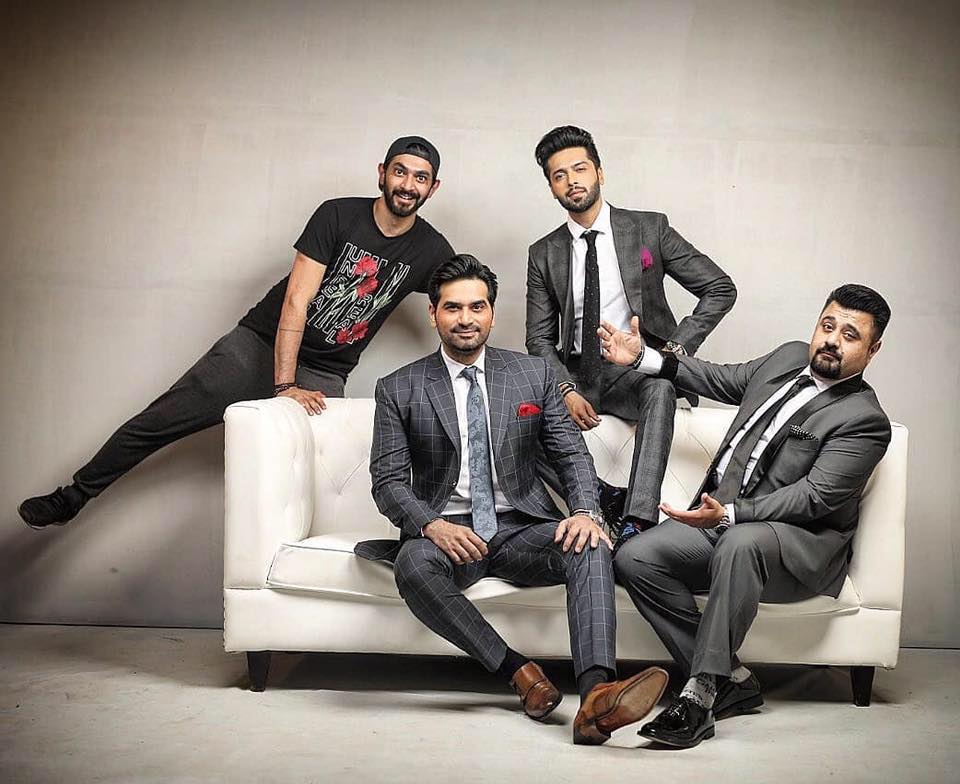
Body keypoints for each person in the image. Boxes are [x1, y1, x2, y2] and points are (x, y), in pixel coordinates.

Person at [19, 136, 454, 529]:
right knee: (158, 421)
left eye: (420, 178)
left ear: (432, 188)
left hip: (324, 371)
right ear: (382, 173)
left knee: (330, 474)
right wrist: (284, 386)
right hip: (259, 345)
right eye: (399, 171)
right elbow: (296, 301)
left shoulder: (430, 248)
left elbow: (465, 288)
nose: (407, 185)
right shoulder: (338, 214)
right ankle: (74, 495)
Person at [356, 255, 669, 745]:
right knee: (413, 565)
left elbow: (570, 454)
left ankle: (597, 696)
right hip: (449, 534)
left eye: (476, 307)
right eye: (453, 308)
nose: (466, 318)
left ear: (492, 313)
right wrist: (432, 525)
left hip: (522, 529)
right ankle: (520, 673)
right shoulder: (399, 387)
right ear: (433, 314)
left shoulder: (531, 375)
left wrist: (585, 512)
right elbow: (388, 481)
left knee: (589, 543)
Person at [601, 284, 892, 748]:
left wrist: (731, 515)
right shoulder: (788, 358)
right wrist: (644, 358)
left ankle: (699, 697)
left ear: (872, 350)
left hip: (795, 549)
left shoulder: (864, 420)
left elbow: (814, 497)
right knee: (635, 557)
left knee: (741, 541)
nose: (832, 340)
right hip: (725, 526)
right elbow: (720, 379)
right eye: (828, 326)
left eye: (850, 335)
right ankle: (733, 679)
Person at [526, 125, 737, 537]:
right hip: (578, 375)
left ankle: (637, 520)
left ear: (600, 173)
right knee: (513, 414)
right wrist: (564, 389)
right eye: (559, 175)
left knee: (660, 386)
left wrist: (671, 353)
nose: (572, 181)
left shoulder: (648, 229)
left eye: (580, 169)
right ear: (551, 188)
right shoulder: (543, 253)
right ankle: (601, 497)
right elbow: (539, 338)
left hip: (636, 370)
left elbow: (719, 288)